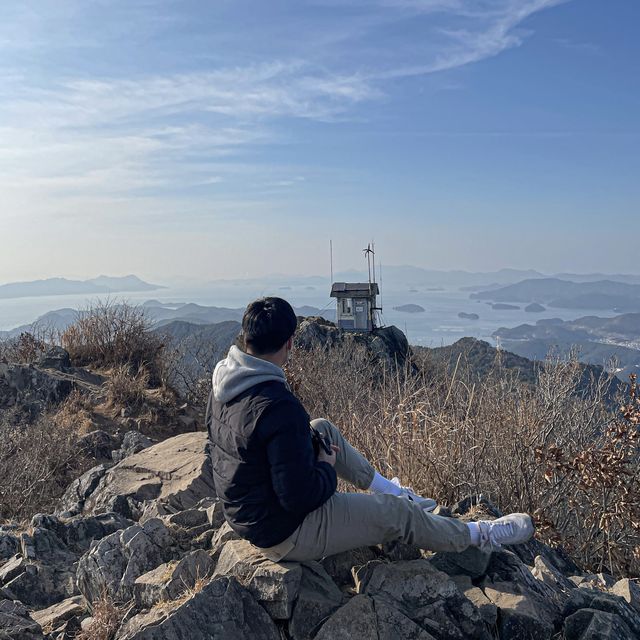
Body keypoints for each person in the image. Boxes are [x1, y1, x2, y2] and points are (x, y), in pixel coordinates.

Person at [206, 297, 534, 563]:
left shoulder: (226, 384)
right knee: (398, 515)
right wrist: (325, 468)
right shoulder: (277, 405)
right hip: (285, 533)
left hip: (252, 514)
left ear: (246, 339)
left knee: (321, 430)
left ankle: (389, 488)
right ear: (290, 342)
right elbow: (299, 498)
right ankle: (480, 535)